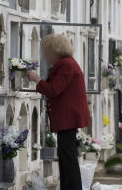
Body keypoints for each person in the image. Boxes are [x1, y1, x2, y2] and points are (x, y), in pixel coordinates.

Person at [27, 34, 90, 190]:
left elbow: (54, 89)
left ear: (56, 50)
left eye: (47, 52)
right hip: (67, 117)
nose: (45, 56)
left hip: (68, 117)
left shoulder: (65, 65)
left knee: (68, 157)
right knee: (66, 156)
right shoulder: (64, 63)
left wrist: (37, 80)